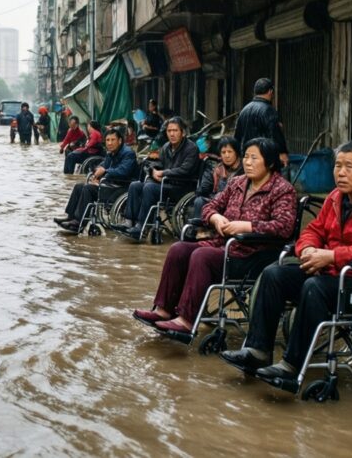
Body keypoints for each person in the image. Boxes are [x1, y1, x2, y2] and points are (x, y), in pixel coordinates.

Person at [220, 141, 352, 380]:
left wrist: (332, 256)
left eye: (349, 166)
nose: (341, 172)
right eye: (338, 166)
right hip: (334, 273)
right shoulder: (335, 197)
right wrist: (308, 248)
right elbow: (314, 230)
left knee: (314, 287)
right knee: (274, 274)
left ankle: (292, 366)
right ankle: (258, 350)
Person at [133, 137, 297, 337]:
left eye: (254, 158)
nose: (247, 162)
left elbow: (284, 227)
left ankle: (186, 320)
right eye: (246, 157)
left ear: (270, 162)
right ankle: (163, 310)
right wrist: (215, 218)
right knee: (178, 249)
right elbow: (210, 205)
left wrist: (247, 226)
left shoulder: (282, 189)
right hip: (223, 245)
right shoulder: (237, 182)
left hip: (253, 255)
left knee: (202, 256)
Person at [120, 117, 200, 239]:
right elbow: (157, 163)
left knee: (149, 187)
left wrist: (163, 173)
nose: (172, 134)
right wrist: (153, 171)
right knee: (135, 185)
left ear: (183, 132)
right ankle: (129, 222)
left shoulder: (191, 148)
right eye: (169, 131)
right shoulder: (166, 147)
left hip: (181, 187)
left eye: (175, 130)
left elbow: (185, 170)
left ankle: (141, 226)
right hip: (165, 184)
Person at [54, 128, 137, 231]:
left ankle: (78, 222)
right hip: (109, 184)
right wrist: (96, 175)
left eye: (113, 140)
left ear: (120, 141)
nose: (109, 143)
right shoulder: (110, 153)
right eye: (107, 140)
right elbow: (103, 165)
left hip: (122, 187)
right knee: (79, 186)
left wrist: (105, 172)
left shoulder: (128, 153)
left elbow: (123, 171)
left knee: (88, 189)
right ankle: (71, 216)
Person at [234, 78, 289, 166]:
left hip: (247, 157)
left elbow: (237, 136)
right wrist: (282, 152)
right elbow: (275, 133)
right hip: (263, 157)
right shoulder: (268, 110)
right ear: (270, 92)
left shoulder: (244, 110)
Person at [193, 136, 243, 217]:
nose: (227, 155)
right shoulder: (217, 169)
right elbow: (206, 187)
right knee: (199, 201)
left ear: (236, 152)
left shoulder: (244, 169)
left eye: (230, 152)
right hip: (218, 201)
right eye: (223, 152)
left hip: (235, 203)